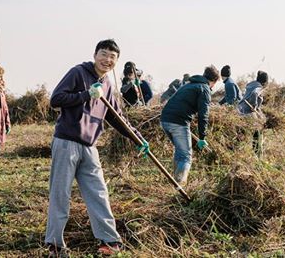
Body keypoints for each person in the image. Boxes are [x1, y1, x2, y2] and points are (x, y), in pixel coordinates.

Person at [45, 39, 148, 256]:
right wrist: (86, 95)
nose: (107, 60)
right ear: (95, 55)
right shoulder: (77, 73)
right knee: (60, 194)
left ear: (116, 61)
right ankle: (55, 244)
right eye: (104, 54)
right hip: (67, 141)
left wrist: (137, 138)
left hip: (90, 146)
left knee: (98, 192)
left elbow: (117, 117)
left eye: (112, 57)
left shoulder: (108, 85)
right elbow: (56, 99)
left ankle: (110, 241)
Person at [160, 66, 220, 185]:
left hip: (165, 120)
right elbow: (204, 115)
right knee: (186, 157)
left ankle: (175, 183)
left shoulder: (189, 84)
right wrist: (202, 137)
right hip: (178, 122)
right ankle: (180, 187)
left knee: (180, 151)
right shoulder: (204, 89)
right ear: (213, 81)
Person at [237, 70, 269, 157]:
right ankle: (257, 155)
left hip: (240, 111)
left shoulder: (250, 85)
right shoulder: (259, 87)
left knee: (241, 134)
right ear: (264, 82)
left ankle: (235, 151)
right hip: (247, 113)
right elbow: (255, 94)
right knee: (257, 132)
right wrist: (254, 106)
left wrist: (260, 112)